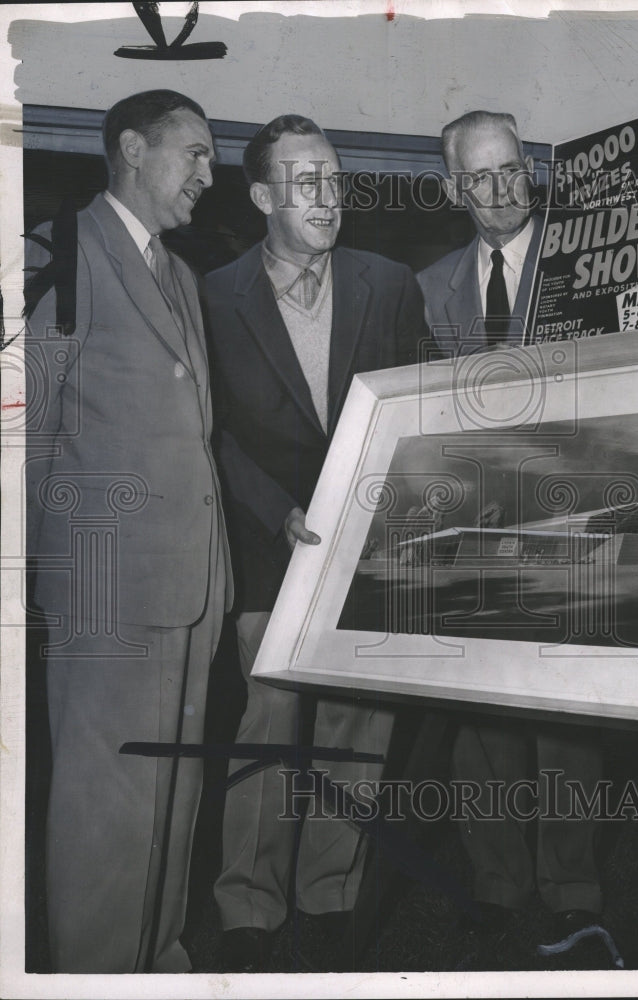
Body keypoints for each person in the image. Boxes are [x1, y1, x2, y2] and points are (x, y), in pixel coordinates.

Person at [204, 114, 428, 972]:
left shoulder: (388, 281)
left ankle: (330, 892)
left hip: (370, 547)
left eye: (334, 179)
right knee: (269, 717)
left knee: (357, 721)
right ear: (263, 196)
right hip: (270, 546)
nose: (328, 197)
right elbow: (213, 429)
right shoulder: (213, 294)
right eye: (305, 182)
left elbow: (418, 408)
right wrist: (276, 513)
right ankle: (247, 906)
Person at [25, 89, 231, 973]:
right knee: (107, 808)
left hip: (189, 584)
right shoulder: (58, 251)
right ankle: (98, 978)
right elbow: (23, 430)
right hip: (105, 591)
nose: (209, 177)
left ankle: (157, 961)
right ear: (133, 149)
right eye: (196, 155)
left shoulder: (179, 275)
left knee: (173, 798)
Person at [417, 110, 606, 952]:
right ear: (455, 187)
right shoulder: (426, 287)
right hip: (472, 521)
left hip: (570, 509)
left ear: (529, 168)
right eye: (479, 177)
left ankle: (573, 890)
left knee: (567, 716)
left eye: (511, 170)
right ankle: (495, 884)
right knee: (481, 711)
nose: (500, 192)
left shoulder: (589, 262)